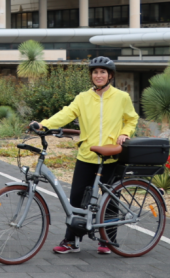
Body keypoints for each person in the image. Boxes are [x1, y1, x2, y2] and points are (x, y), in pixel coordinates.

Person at [32, 56, 138, 255]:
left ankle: (108, 241)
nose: (99, 75)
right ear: (92, 76)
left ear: (110, 76)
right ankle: (72, 241)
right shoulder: (82, 97)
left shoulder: (121, 97)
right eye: (95, 72)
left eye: (102, 72)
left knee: (111, 200)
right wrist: (44, 124)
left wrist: (125, 133)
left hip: (111, 156)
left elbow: (131, 119)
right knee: (76, 199)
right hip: (86, 155)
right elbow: (66, 113)